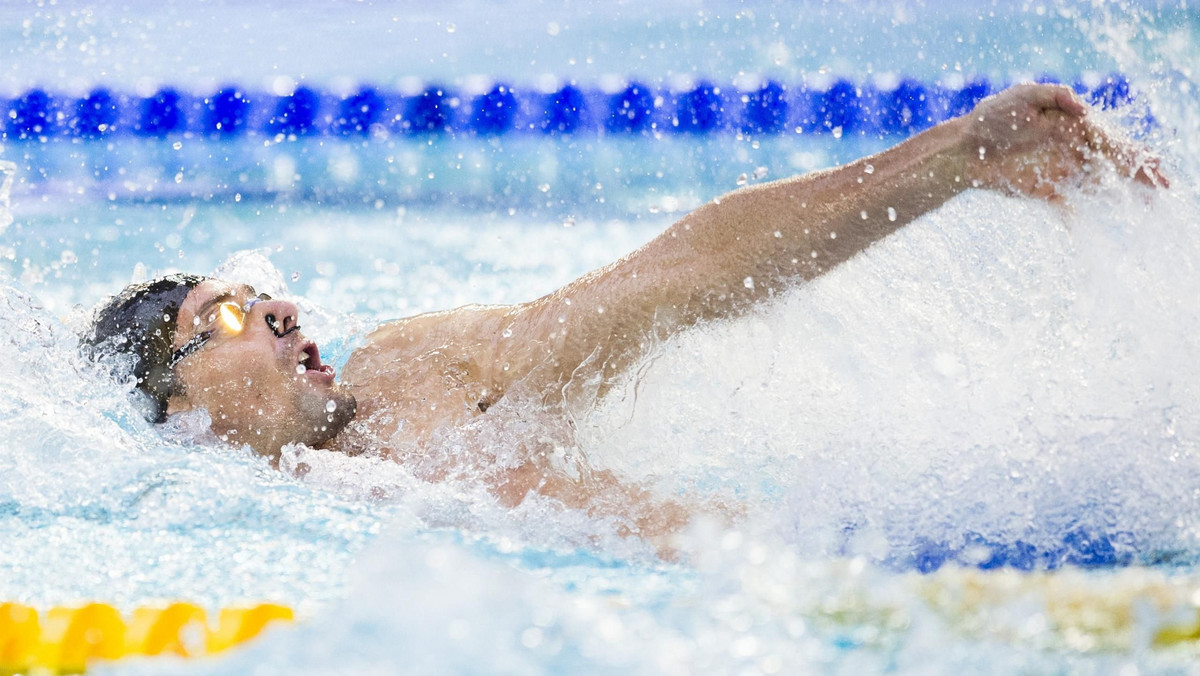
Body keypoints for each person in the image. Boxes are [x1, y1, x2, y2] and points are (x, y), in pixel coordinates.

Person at [83, 84, 1165, 547]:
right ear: (173, 410)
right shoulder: (211, 527)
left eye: (262, 294)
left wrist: (944, 161)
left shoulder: (417, 371)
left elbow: (679, 276)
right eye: (226, 321)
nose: (276, 308)